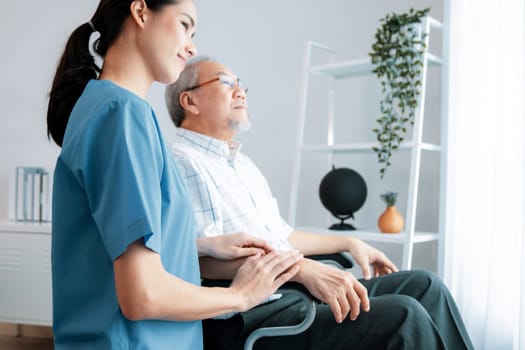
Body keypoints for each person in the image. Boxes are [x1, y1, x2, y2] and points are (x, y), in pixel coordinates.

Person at [165, 56, 475, 350]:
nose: (240, 91)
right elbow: (200, 262)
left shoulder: (242, 164)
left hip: (292, 292)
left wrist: (350, 241)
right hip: (253, 316)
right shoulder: (183, 163)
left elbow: (282, 236)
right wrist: (301, 270)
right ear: (189, 101)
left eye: (240, 84)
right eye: (225, 81)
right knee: (403, 316)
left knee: (426, 286)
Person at [46, 2, 303, 349]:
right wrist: (241, 296)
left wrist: (200, 246)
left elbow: (111, 248)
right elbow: (143, 294)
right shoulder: (122, 114)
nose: (191, 46)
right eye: (184, 25)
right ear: (140, 11)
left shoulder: (104, 107)